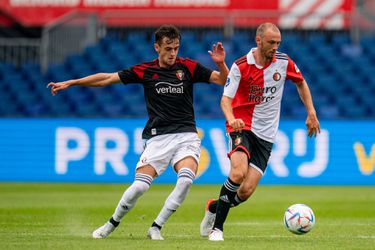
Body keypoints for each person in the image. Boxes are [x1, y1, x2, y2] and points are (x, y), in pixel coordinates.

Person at [47, 25, 229, 240]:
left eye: (176, 48)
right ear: (156, 47)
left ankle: (156, 227)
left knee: (186, 180)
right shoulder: (146, 71)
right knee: (140, 187)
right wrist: (73, 82)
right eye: (168, 48)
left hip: (186, 135)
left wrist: (220, 64)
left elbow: (221, 80)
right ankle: (111, 224)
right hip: (157, 137)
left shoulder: (188, 67)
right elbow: (106, 78)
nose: (172, 53)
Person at [199, 22, 321, 241]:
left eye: (278, 43)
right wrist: (231, 119)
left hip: (267, 135)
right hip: (241, 125)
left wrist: (311, 112)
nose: (275, 47)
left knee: (245, 191)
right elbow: (225, 100)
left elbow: (301, 83)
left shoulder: (283, 62)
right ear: (258, 40)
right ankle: (217, 229)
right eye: (271, 42)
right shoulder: (241, 66)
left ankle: (213, 206)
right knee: (237, 173)